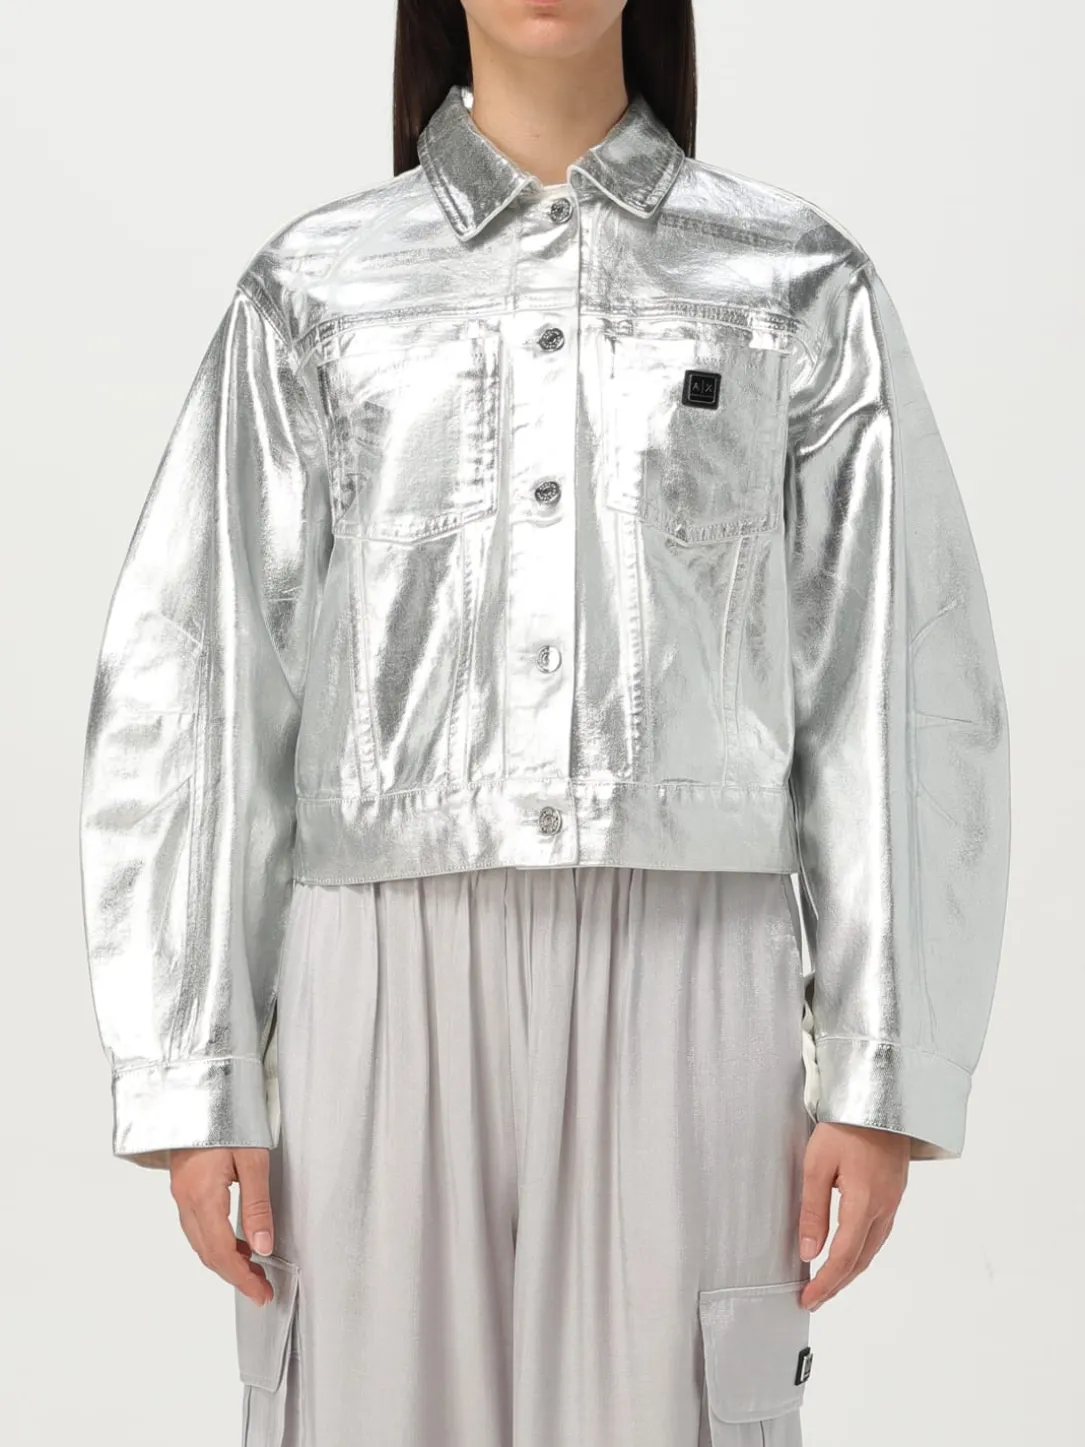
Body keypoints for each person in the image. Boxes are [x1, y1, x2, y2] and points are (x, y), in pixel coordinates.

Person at [78, 2, 1011, 1444]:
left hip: (694, 968)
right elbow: (196, 680)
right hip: (379, 971)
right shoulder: (314, 290)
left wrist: (882, 1065)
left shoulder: (792, 284)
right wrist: (194, 1074)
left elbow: (897, 673)